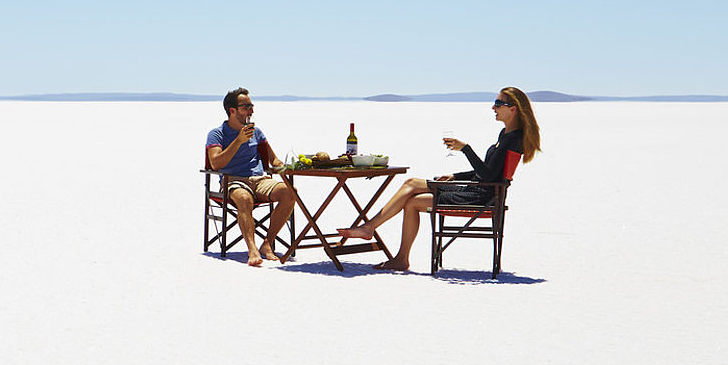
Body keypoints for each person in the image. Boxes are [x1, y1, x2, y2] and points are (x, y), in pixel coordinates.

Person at [337, 86, 543, 271]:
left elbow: (489, 176)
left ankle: (370, 229)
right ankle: (399, 257)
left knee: (411, 186)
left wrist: (466, 149)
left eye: (498, 103)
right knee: (412, 200)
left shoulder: (513, 138)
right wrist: (455, 176)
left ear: (513, 108)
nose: (493, 107)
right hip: (480, 191)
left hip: (481, 198)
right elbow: (489, 172)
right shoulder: (506, 134)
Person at [206, 88, 297, 266]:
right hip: (233, 180)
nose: (252, 111)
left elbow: (273, 159)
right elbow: (215, 163)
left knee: (290, 192)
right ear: (232, 110)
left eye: (252, 106)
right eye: (246, 107)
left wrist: (287, 166)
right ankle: (252, 249)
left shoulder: (256, 132)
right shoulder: (217, 133)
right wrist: (238, 141)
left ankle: (267, 243)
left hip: (259, 180)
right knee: (244, 198)